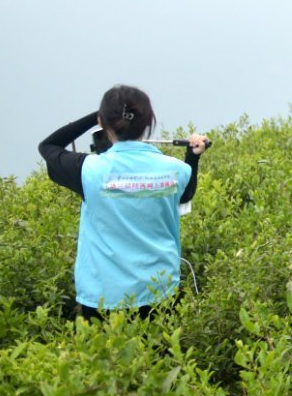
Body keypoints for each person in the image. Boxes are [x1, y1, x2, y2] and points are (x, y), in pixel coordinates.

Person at [37, 86, 209, 319]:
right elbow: (186, 195)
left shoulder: (89, 170)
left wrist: (94, 118)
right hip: (160, 291)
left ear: (105, 123)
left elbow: (48, 147)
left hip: (102, 297)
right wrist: (192, 156)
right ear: (148, 122)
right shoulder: (176, 169)